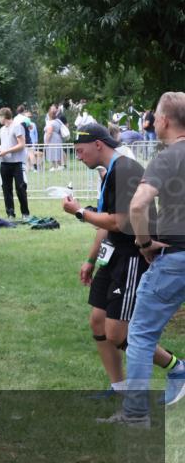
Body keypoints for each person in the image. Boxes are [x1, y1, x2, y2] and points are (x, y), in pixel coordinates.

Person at [60, 123, 180, 402]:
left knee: (117, 332)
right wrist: (91, 259)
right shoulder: (110, 172)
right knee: (97, 322)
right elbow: (106, 222)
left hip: (131, 257)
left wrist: (79, 212)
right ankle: (119, 387)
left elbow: (120, 221)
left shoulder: (125, 169)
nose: (78, 156)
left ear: (98, 145)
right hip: (112, 254)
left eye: (80, 150)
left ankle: (178, 368)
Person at [103, 92, 185, 427]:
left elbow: (137, 206)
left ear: (163, 120)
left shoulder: (167, 158)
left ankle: (135, 416)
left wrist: (143, 243)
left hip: (175, 258)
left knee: (139, 335)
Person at [0, 107, 30, 221]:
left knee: (20, 188)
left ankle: (25, 213)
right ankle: (10, 213)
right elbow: (4, 145)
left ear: (4, 116)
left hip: (17, 163)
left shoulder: (17, 126)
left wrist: (6, 151)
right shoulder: (2, 130)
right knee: (6, 189)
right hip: (4, 163)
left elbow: (21, 144)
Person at [43, 106, 65, 171]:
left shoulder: (51, 122)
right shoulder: (58, 121)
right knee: (56, 152)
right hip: (56, 139)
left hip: (52, 140)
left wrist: (46, 142)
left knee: (53, 152)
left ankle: (55, 166)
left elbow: (49, 132)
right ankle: (58, 166)